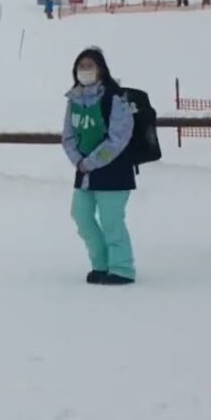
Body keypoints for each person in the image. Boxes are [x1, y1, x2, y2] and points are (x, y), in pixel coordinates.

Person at [61, 47, 137, 285]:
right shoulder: (74, 99)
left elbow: (119, 137)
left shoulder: (114, 98)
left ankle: (122, 268)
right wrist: (78, 161)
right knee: (81, 216)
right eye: (81, 66)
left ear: (101, 69)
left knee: (111, 220)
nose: (85, 71)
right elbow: (68, 135)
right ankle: (101, 264)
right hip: (84, 171)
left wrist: (92, 162)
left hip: (113, 170)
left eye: (89, 66)